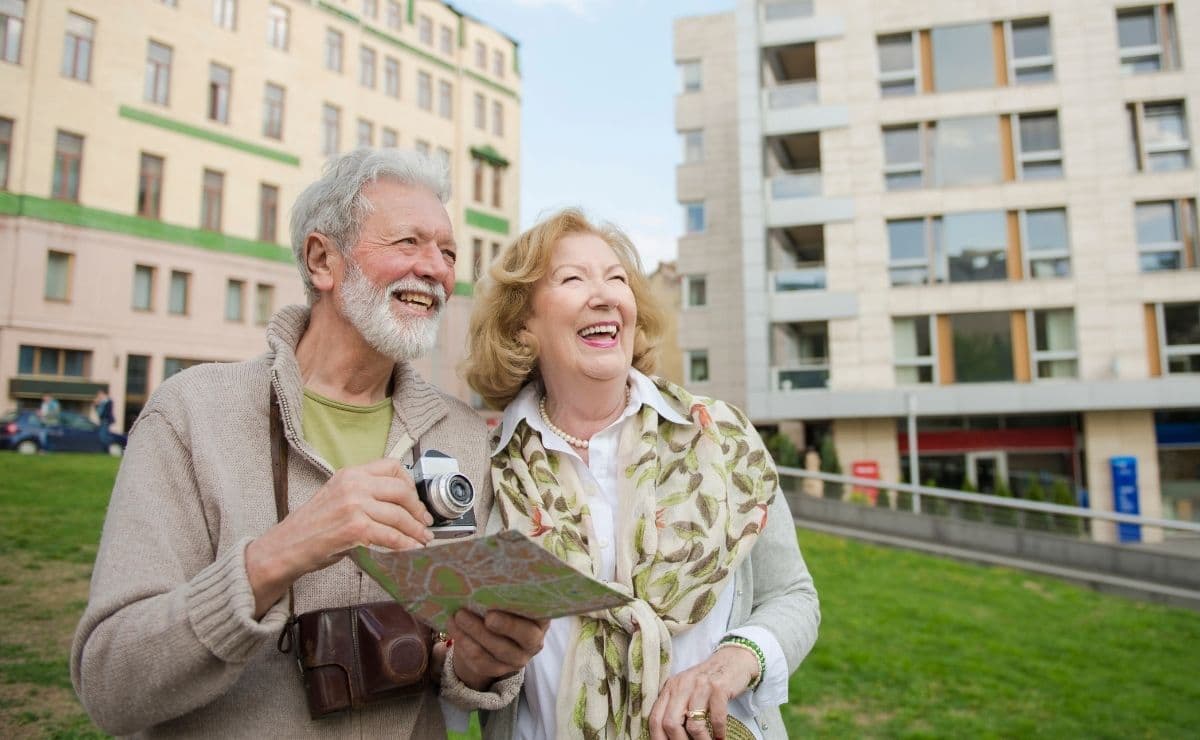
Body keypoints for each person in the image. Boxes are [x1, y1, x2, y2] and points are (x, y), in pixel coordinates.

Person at [71, 149, 548, 737]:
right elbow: (110, 682)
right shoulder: (192, 413)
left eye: (448, 253)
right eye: (408, 243)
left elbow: (451, 656)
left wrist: (477, 662)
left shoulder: (459, 435)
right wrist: (283, 551)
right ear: (323, 260)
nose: (435, 269)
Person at [462, 209, 820, 740]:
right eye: (573, 278)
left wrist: (736, 661)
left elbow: (793, 595)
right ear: (523, 324)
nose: (604, 295)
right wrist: (473, 662)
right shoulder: (486, 465)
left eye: (616, 278)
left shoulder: (721, 436)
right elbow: (463, 658)